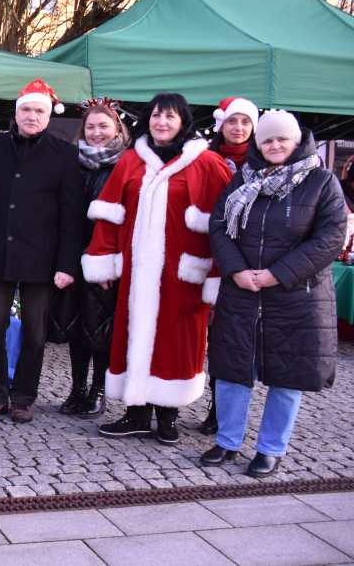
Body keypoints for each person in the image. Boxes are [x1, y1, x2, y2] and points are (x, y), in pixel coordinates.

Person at [82, 93, 232, 444]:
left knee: (176, 343)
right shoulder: (131, 161)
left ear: (183, 122)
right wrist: (104, 261)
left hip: (182, 275)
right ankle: (136, 414)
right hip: (137, 272)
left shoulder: (207, 164)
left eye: (170, 117)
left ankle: (168, 416)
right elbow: (109, 214)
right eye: (156, 116)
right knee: (134, 335)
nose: (162, 123)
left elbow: (225, 226)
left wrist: (215, 273)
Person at [202, 110, 344, 477]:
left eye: (282, 139)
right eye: (267, 140)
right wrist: (236, 271)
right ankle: (228, 441)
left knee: (287, 375)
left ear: (296, 141)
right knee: (234, 370)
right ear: (258, 145)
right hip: (243, 291)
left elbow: (330, 238)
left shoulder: (321, 181)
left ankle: (270, 448)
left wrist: (276, 275)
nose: (275, 145)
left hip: (297, 295)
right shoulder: (241, 181)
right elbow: (218, 227)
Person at [0, 78, 83, 424]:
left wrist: (67, 264)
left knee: (35, 334)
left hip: (42, 259)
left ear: (49, 116)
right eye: (26, 110)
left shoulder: (65, 154)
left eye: (39, 110)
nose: (32, 116)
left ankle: (23, 397)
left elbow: (72, 215)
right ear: (16, 113)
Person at [56, 99, 131, 419]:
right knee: (75, 326)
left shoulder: (125, 165)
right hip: (75, 254)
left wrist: (111, 258)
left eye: (103, 126)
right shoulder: (73, 163)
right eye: (91, 127)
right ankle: (76, 388)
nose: (97, 133)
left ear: (117, 129)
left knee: (100, 328)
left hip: (105, 259)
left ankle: (98, 390)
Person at [199, 96, 260, 435]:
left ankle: (220, 409)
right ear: (221, 123)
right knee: (201, 334)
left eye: (245, 122)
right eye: (232, 121)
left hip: (241, 261)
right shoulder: (204, 158)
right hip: (204, 255)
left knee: (230, 340)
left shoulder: (263, 161)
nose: (238, 128)